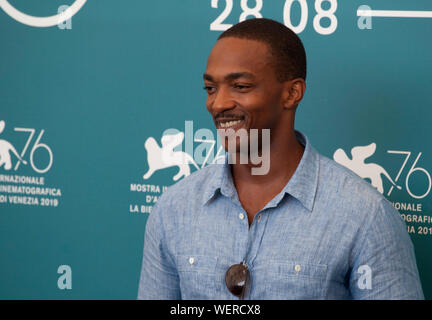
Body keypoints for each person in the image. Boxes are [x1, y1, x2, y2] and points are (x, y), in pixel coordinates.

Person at [137, 18, 424, 299]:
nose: (218, 103)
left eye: (240, 86)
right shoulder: (172, 209)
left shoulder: (366, 216)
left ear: (292, 93)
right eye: (211, 88)